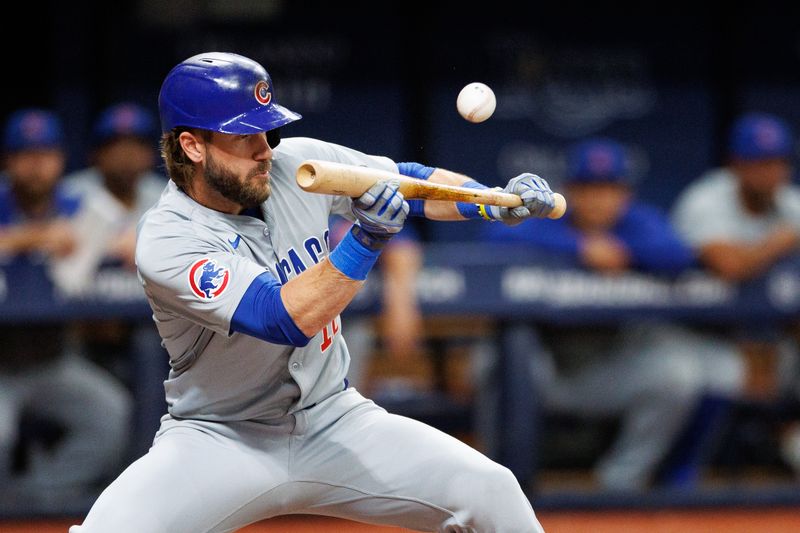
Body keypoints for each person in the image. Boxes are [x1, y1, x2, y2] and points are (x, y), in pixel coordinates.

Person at [70, 52, 557, 533]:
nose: (265, 148)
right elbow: (282, 318)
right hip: (219, 437)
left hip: (333, 419)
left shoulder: (292, 162)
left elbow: (412, 181)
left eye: (268, 130)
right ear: (193, 146)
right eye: (245, 135)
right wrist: (366, 241)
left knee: (491, 490)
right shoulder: (168, 238)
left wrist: (490, 202)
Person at [481, 138, 705, 491]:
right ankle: (501, 481)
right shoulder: (547, 221)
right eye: (589, 189)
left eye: (610, 189)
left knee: (678, 373)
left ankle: (620, 485)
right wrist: (579, 247)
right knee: (490, 362)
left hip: (611, 365)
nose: (600, 200)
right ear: (569, 192)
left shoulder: (636, 225)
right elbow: (494, 234)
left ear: (626, 194)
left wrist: (627, 253)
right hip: (544, 369)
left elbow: (678, 255)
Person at [0, 108, 132, 509]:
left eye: (45, 154)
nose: (37, 165)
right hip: (2, 364)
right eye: (26, 155)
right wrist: (34, 237)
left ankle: (33, 498)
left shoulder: (77, 203)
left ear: (59, 160)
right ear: (9, 161)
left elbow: (126, 241)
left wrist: (107, 243)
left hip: (54, 361)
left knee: (111, 413)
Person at [670, 112, 800, 476]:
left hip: (770, 336)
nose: (770, 173)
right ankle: (681, 473)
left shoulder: (791, 203)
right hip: (695, 331)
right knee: (718, 372)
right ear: (736, 165)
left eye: (777, 162)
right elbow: (729, 266)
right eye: (759, 163)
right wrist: (781, 241)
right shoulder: (706, 200)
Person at [52, 102, 164, 293]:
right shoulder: (69, 193)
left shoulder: (165, 196)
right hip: (73, 304)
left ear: (150, 154)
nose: (127, 155)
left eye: (137, 145)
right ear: (96, 153)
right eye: (116, 146)